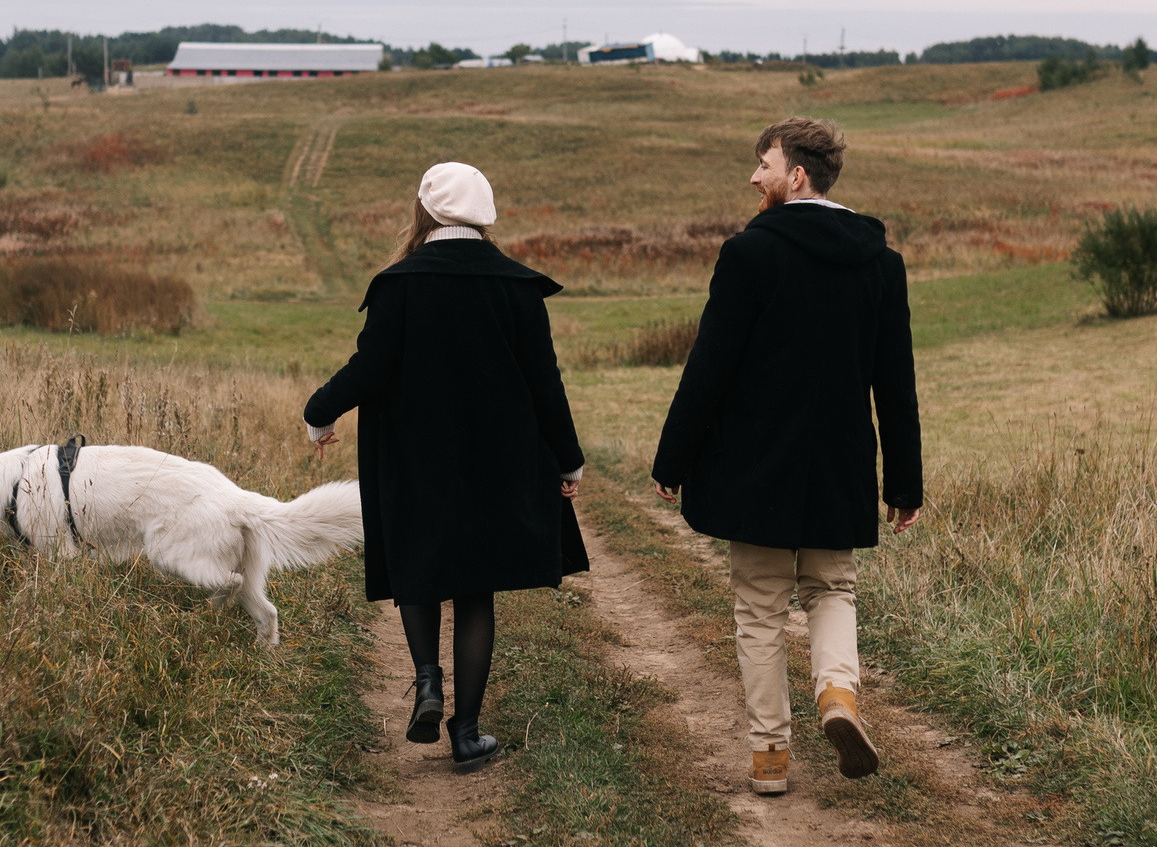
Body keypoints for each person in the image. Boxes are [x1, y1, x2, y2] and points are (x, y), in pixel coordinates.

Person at [650, 116, 922, 797]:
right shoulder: (880, 262)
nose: (754, 177)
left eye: (763, 164)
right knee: (832, 589)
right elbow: (895, 380)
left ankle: (771, 754)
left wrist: (672, 459)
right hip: (840, 465)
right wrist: (905, 481)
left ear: (795, 175)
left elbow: (710, 366)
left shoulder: (750, 254)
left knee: (760, 609)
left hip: (756, 463)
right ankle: (836, 691)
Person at [304, 162, 588, 771]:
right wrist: (568, 460)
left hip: (416, 460)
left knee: (419, 569)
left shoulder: (399, 283)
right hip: (496, 464)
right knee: (474, 589)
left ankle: (428, 683)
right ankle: (467, 733)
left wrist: (319, 413)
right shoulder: (517, 285)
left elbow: (369, 367)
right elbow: (545, 382)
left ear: (424, 212)